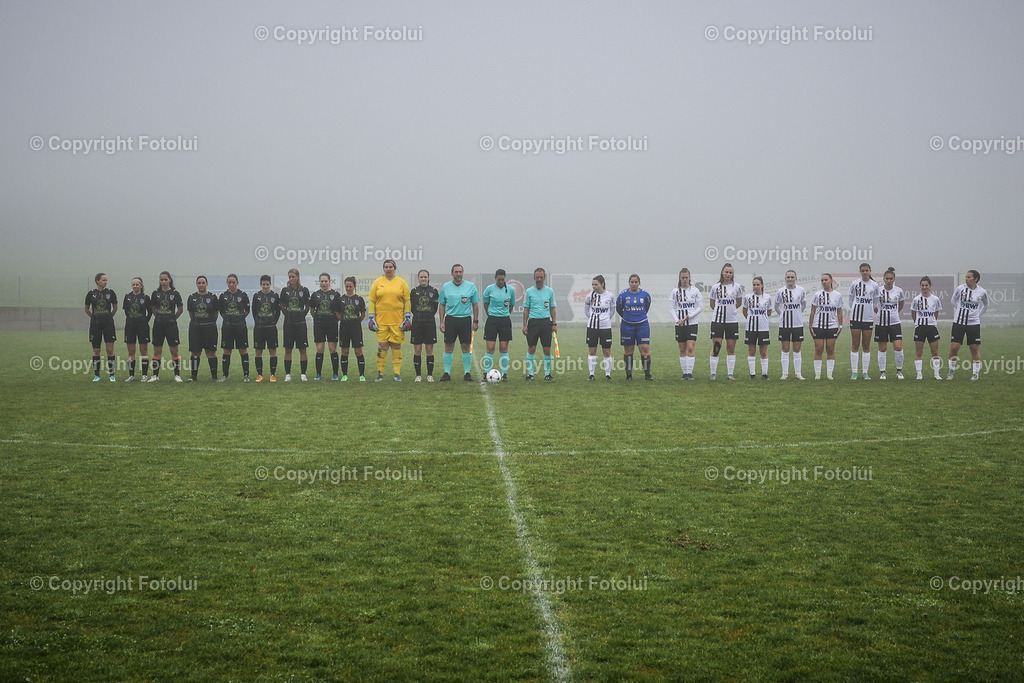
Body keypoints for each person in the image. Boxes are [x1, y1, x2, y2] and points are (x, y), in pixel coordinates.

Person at [368, 259, 412, 382]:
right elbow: (372, 300)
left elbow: (407, 300)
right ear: (383, 269)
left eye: (390, 267)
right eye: (386, 267)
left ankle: (397, 374)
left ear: (394, 268)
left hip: (397, 321)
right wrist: (371, 317)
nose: (388, 269)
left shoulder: (401, 283)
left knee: (396, 345)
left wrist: (407, 317)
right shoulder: (378, 282)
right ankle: (380, 374)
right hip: (381, 321)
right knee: (382, 346)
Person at [438, 264, 480, 382]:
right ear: (452, 273)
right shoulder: (446, 287)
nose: (458, 274)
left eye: (460, 272)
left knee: (466, 346)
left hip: (465, 320)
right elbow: (441, 305)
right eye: (456, 272)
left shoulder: (471, 286)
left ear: (463, 273)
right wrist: (442, 321)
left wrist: (475, 321)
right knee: (448, 346)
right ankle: (447, 373)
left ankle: (467, 373)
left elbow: (475, 304)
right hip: (450, 319)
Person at [947, 269, 989, 381]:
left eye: (969, 277)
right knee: (954, 347)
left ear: (976, 279)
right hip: (959, 322)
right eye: (966, 277)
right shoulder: (960, 289)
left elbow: (985, 305)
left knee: (974, 348)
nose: (967, 279)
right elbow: (953, 301)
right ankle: (951, 371)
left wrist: (977, 316)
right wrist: (961, 310)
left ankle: (975, 373)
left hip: (973, 324)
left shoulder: (982, 292)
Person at [708, 263, 743, 380]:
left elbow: (738, 302)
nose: (728, 274)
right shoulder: (715, 287)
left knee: (731, 347)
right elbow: (712, 304)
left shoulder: (737, 287)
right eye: (726, 272)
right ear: (722, 272)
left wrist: (730, 311)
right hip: (717, 321)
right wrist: (720, 311)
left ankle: (730, 374)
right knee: (716, 347)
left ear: (732, 274)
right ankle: (713, 374)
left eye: (730, 272)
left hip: (732, 321)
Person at [521, 267, 557, 381]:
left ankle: (547, 374)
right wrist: (525, 324)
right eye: (537, 277)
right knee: (532, 348)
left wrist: (554, 324)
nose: (539, 279)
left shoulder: (550, 291)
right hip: (533, 322)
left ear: (544, 278)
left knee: (547, 349)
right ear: (534, 278)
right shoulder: (529, 291)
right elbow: (526, 309)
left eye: (541, 277)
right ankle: (530, 374)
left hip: (546, 322)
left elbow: (553, 308)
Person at [616, 274, 653, 380]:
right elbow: (619, 308)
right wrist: (628, 317)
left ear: (639, 283)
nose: (634, 284)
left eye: (636, 282)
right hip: (627, 325)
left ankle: (647, 375)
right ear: (629, 283)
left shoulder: (645, 295)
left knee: (644, 349)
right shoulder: (623, 295)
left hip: (642, 325)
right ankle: (628, 375)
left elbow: (646, 307)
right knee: (628, 350)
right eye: (632, 282)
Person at [149, 271, 184, 382]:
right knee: (157, 351)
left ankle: (177, 375)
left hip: (171, 325)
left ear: (169, 280)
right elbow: (153, 308)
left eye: (165, 279)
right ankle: (155, 375)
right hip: (158, 325)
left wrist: (172, 318)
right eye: (161, 280)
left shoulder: (175, 293)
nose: (163, 282)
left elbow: (180, 309)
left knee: (174, 351)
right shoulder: (155, 293)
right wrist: (159, 317)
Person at [669, 268, 703, 380]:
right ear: (680, 278)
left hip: (692, 323)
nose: (684, 280)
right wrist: (677, 320)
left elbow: (700, 307)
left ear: (690, 278)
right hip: (680, 325)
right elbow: (672, 308)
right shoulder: (675, 291)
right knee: (682, 348)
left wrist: (690, 316)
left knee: (690, 347)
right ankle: (685, 373)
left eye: (686, 278)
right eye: (683, 278)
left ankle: (689, 373)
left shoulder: (695, 290)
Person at [810, 273, 845, 380]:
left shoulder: (837, 295)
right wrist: (810, 325)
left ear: (831, 281)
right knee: (818, 349)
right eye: (822, 280)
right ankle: (818, 374)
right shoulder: (817, 295)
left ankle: (829, 374)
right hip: (818, 326)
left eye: (826, 279)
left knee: (830, 349)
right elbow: (813, 311)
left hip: (832, 326)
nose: (824, 282)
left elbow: (839, 312)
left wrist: (841, 325)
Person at [848, 262, 880, 380]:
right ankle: (855, 372)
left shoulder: (875, 285)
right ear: (860, 272)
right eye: (863, 270)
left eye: (867, 270)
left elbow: (876, 299)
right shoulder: (854, 284)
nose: (865, 272)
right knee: (855, 344)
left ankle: (865, 372)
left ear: (870, 271)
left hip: (868, 318)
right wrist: (854, 309)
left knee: (866, 345)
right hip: (856, 317)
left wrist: (870, 309)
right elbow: (851, 299)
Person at [482, 269, 515, 381]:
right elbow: (485, 303)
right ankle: (486, 373)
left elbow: (511, 305)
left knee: (504, 348)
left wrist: (505, 314)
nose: (500, 282)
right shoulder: (489, 289)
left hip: (505, 321)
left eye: (502, 279)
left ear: (505, 278)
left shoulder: (510, 290)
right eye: (498, 279)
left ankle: (504, 374)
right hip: (492, 321)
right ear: (495, 278)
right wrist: (491, 314)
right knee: (490, 348)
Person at [84, 272, 118, 382]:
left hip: (108, 324)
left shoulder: (111, 293)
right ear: (97, 281)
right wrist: (94, 317)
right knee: (96, 350)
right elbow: (86, 309)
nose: (105, 282)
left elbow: (115, 307)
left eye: (106, 280)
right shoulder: (91, 294)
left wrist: (108, 317)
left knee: (109, 350)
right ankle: (97, 375)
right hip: (95, 325)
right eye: (103, 280)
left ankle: (112, 375)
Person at [774, 270, 807, 380]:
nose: (790, 279)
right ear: (785, 278)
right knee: (785, 348)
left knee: (797, 349)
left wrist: (796, 314)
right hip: (784, 325)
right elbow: (776, 306)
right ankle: (785, 373)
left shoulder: (801, 290)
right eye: (788, 277)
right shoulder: (780, 291)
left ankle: (798, 373)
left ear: (796, 278)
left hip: (797, 324)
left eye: (792, 277)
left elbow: (803, 304)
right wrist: (783, 314)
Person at [279, 268, 311, 382]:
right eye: (289, 277)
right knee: (288, 349)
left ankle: (303, 374)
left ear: (298, 277)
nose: (291, 279)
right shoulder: (285, 291)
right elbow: (281, 304)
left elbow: (308, 305)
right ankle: (288, 374)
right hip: (289, 323)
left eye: (293, 277)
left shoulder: (304, 290)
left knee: (303, 349)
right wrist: (287, 314)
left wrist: (302, 314)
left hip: (300, 324)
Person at [875, 267, 906, 380]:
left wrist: (893, 313)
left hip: (894, 322)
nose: (889, 280)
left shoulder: (899, 291)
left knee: (898, 347)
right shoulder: (878, 290)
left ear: (894, 279)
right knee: (882, 348)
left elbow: (901, 304)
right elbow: (874, 304)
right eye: (887, 278)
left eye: (891, 278)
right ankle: (882, 372)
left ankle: (899, 371)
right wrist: (879, 313)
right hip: (881, 323)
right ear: (883, 279)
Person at [219, 274, 251, 382]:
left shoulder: (243, 295)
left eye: (233, 282)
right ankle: (225, 375)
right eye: (229, 282)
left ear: (237, 282)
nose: (231, 284)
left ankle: (246, 375)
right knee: (227, 350)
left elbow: (247, 311)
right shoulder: (223, 296)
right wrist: (230, 318)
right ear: (227, 283)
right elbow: (222, 312)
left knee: (243, 349)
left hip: (240, 326)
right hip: (227, 327)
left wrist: (238, 318)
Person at [910, 276, 943, 381]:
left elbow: (936, 313)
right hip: (920, 328)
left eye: (926, 285)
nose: (924, 287)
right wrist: (917, 324)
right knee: (919, 352)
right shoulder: (916, 299)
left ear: (930, 286)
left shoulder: (935, 299)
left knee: (935, 352)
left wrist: (932, 322)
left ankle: (936, 374)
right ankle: (919, 374)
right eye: (922, 285)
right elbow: (913, 314)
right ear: (920, 286)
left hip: (932, 327)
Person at [187, 275, 219, 381]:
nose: (201, 285)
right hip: (195, 328)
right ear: (196, 284)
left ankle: (214, 376)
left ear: (207, 284)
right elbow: (191, 313)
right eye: (199, 283)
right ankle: (194, 376)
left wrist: (209, 322)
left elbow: (215, 313)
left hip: (209, 328)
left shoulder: (213, 297)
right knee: (195, 352)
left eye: (203, 283)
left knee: (210, 352)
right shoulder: (192, 297)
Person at [309, 273, 341, 380]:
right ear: (319, 282)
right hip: (319, 325)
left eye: (325, 281)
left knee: (332, 349)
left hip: (332, 324)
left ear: (329, 281)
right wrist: (319, 318)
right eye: (321, 281)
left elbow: (338, 312)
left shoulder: (335, 295)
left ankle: (335, 374)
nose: (323, 283)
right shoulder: (315, 295)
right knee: (320, 349)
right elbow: (312, 311)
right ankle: (318, 374)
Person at [410, 270, 439, 382]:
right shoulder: (414, 291)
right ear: (418, 278)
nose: (423, 279)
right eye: (421, 277)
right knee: (417, 350)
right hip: (417, 323)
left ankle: (429, 375)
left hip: (429, 323)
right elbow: (412, 307)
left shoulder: (434, 291)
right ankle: (418, 375)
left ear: (428, 278)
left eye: (425, 277)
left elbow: (435, 307)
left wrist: (428, 315)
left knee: (429, 349)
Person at [585, 275, 615, 381]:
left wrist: (605, 319)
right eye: (593, 284)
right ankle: (591, 374)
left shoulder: (610, 296)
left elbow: (612, 311)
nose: (594, 286)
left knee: (606, 351)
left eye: (596, 284)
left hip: (605, 327)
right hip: (592, 327)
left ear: (602, 284)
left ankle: (608, 375)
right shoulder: (589, 296)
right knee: (592, 350)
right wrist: (593, 319)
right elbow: (586, 311)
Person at [251, 275, 280, 382]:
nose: (265, 286)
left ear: (270, 284)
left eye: (267, 284)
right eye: (263, 284)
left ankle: (273, 375)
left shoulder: (275, 296)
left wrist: (272, 322)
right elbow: (254, 311)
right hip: (259, 328)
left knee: (273, 351)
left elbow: (277, 311)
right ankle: (260, 375)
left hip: (271, 328)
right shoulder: (256, 296)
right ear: (260, 284)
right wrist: (258, 322)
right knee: (258, 351)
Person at [337, 276, 368, 381]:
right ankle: (345, 375)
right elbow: (337, 313)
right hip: (344, 327)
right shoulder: (341, 299)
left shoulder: (359, 299)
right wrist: (345, 320)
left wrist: (355, 322)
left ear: (354, 286)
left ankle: (361, 375)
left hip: (356, 328)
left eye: (350, 286)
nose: (348, 288)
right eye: (346, 286)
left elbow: (363, 314)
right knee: (344, 351)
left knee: (358, 351)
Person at [122, 277, 151, 382]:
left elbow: (150, 312)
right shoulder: (127, 297)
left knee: (143, 350)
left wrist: (144, 320)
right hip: (130, 326)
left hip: (142, 326)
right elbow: (126, 310)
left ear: (141, 286)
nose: (135, 286)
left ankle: (144, 375)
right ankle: (131, 375)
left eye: (137, 284)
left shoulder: (146, 297)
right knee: (131, 351)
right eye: (133, 285)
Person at [742, 276, 772, 380]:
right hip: (751, 328)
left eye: (758, 284)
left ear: (762, 285)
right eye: (754, 285)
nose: (756, 287)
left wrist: (761, 319)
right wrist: (751, 319)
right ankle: (752, 374)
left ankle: (764, 374)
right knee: (751, 351)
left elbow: (769, 312)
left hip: (763, 328)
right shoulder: (747, 297)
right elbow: (745, 311)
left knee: (763, 352)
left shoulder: (767, 297)